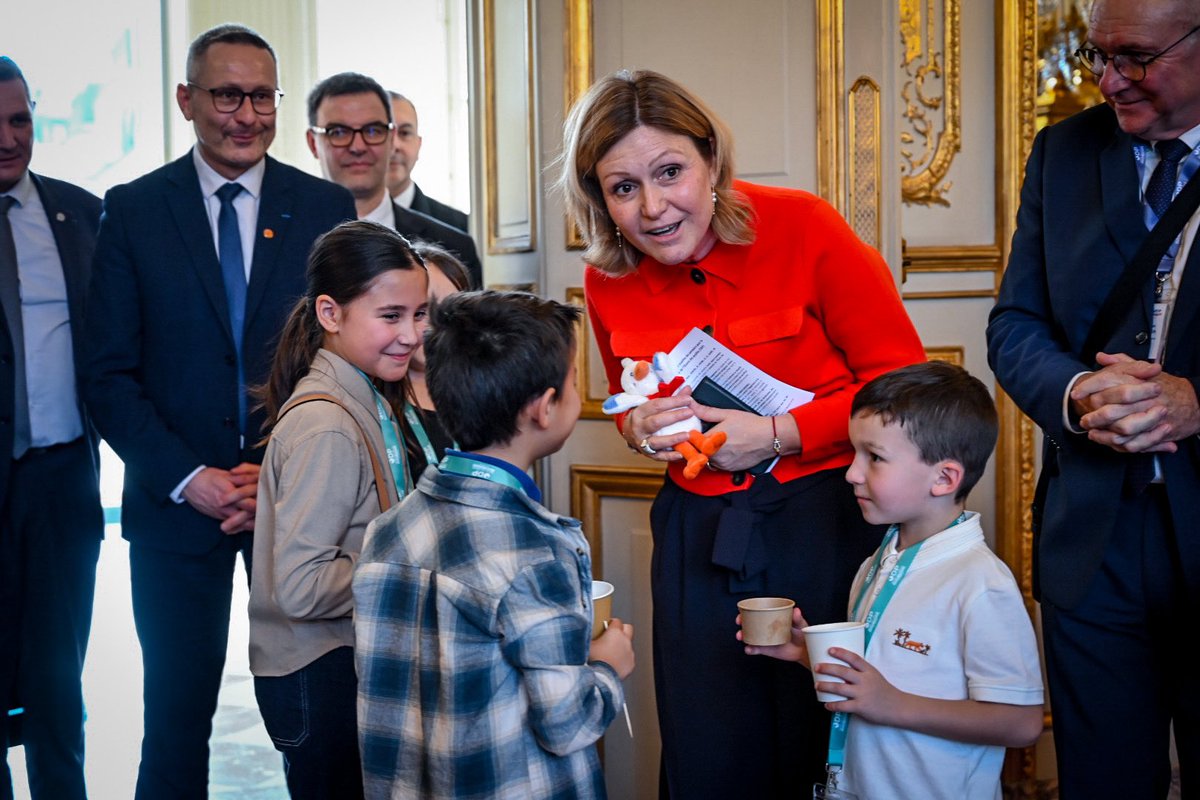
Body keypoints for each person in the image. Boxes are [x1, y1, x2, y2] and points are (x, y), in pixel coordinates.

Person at [558, 68, 926, 797]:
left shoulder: (805, 226)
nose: (654, 208)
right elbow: (628, 400)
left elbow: (904, 386)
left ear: (712, 160)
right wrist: (637, 426)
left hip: (824, 519)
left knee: (817, 733)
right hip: (697, 532)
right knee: (707, 745)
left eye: (671, 173)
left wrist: (782, 433)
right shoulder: (606, 278)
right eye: (623, 188)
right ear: (598, 197)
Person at [83, 24, 356, 799]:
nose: (246, 115)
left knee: (321, 719)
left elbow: (345, 357)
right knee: (174, 722)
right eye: (227, 95)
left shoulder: (325, 205)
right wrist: (190, 477)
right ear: (187, 100)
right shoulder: (134, 210)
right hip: (179, 511)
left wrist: (271, 471)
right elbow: (106, 375)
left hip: (305, 505)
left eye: (261, 96)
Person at [986, 0, 1200, 795]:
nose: (1110, 81)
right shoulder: (1063, 153)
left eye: (1137, 57)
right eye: (1097, 55)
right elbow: (1015, 324)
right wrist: (1076, 391)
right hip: (1092, 545)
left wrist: (1195, 403)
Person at [352, 290, 635, 800]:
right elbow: (568, 723)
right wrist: (608, 666)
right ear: (546, 408)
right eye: (573, 385)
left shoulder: (388, 529)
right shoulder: (535, 551)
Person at [741, 362, 1044, 800]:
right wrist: (808, 654)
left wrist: (893, 705)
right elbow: (881, 677)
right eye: (853, 453)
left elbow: (1021, 722)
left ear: (944, 478)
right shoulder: (876, 563)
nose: (851, 473)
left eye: (874, 458)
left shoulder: (980, 583)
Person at [248, 221, 428, 799]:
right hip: (317, 677)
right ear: (330, 313)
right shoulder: (326, 424)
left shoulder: (368, 395)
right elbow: (300, 586)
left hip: (340, 664)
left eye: (420, 314)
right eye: (391, 316)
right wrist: (415, 571)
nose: (411, 335)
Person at [0, 56, 104, 800]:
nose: (9, 139)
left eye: (20, 120)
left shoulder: (83, 214)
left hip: (61, 481)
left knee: (57, 680)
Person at [306, 73, 482, 288]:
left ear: (391, 138)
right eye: (339, 132)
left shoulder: (455, 246)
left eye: (372, 131)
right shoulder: (287, 237)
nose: (358, 147)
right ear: (313, 143)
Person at [404, 240, 471, 476]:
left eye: (450, 310)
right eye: (422, 311)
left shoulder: (482, 396)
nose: (436, 323)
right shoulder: (376, 406)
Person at [386, 91, 469, 233]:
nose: (395, 145)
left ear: (418, 145)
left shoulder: (460, 228)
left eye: (405, 133)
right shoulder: (338, 218)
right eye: (383, 133)